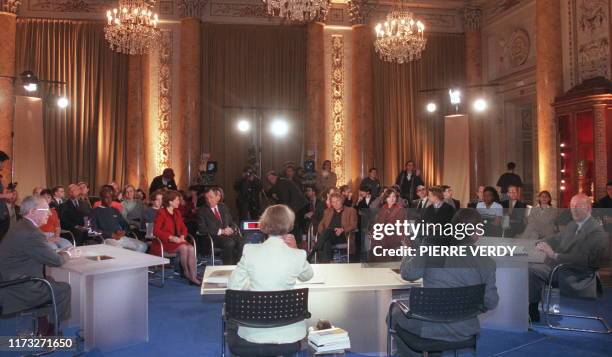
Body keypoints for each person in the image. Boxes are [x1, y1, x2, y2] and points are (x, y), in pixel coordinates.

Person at [390, 209, 498, 349]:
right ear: (477, 233)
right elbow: (491, 302)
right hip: (465, 329)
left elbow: (407, 274)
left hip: (428, 327)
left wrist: (408, 252)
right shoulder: (487, 262)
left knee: (392, 314)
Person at [227, 204, 313, 345]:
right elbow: (307, 276)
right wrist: (296, 249)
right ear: (289, 225)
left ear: (264, 224)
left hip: (253, 328)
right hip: (290, 330)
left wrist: (252, 284)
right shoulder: (297, 255)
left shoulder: (250, 251)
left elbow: (233, 286)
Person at [528, 194, 608, 322]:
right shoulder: (573, 225)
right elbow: (556, 238)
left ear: (588, 208)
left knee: (532, 271)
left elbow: (583, 259)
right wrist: (536, 243)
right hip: (564, 269)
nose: (574, 209)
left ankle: (531, 312)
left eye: (578, 206)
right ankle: (531, 310)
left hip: (578, 275)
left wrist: (553, 254)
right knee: (531, 266)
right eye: (572, 206)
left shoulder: (596, 231)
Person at [0, 195, 73, 335]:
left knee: (50, 281)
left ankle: (42, 328)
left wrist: (54, 253)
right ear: (32, 211)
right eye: (45, 209)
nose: (50, 213)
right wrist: (69, 254)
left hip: (9, 279)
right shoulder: (31, 233)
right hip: (17, 286)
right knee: (63, 289)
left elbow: (36, 252)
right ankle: (52, 334)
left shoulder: (20, 225)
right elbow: (56, 261)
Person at [152, 190, 200, 285]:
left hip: (177, 241)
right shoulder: (161, 213)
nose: (179, 202)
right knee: (184, 247)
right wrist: (170, 237)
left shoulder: (177, 212)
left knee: (190, 248)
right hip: (164, 242)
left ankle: (193, 275)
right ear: (170, 202)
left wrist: (182, 235)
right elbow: (156, 231)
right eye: (177, 200)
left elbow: (184, 228)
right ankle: (187, 273)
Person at [89, 187, 147, 252]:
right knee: (120, 249)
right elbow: (91, 231)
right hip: (106, 239)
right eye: (106, 197)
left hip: (121, 237)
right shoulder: (94, 212)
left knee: (142, 246)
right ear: (101, 198)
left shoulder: (114, 210)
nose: (109, 200)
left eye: (110, 197)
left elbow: (125, 225)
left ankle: (130, 261)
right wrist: (110, 234)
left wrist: (123, 232)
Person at [196, 186, 244, 265]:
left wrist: (231, 228)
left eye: (211, 197)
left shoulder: (223, 207)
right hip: (213, 237)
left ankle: (237, 265)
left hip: (228, 234)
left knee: (242, 242)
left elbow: (232, 222)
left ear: (217, 197)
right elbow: (202, 229)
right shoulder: (202, 211)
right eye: (206, 198)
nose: (209, 200)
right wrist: (221, 231)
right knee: (229, 243)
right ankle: (228, 266)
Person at [309, 193, 357, 263]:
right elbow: (321, 225)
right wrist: (323, 233)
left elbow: (354, 225)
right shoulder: (328, 211)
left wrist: (343, 229)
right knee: (326, 240)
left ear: (342, 200)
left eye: (337, 201)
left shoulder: (351, 210)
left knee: (326, 235)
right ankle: (328, 263)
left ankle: (312, 252)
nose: (336, 204)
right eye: (333, 202)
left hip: (343, 236)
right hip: (329, 235)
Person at [266, 170, 308, 243]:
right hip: (298, 206)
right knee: (295, 226)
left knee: (293, 226)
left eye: (272, 178)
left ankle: (295, 244)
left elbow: (285, 199)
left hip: (297, 206)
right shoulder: (281, 182)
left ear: (276, 176)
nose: (271, 181)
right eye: (269, 180)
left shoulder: (281, 183)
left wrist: (284, 212)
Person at [369, 188, 407, 262]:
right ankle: (377, 265)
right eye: (389, 197)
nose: (391, 199)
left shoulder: (400, 209)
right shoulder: (383, 208)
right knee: (375, 239)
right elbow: (377, 223)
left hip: (394, 233)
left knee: (379, 240)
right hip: (383, 233)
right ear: (386, 198)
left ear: (396, 198)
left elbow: (398, 225)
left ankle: (384, 263)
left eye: (393, 196)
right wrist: (373, 232)